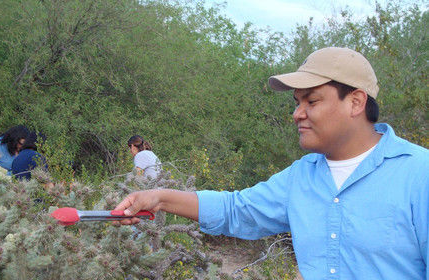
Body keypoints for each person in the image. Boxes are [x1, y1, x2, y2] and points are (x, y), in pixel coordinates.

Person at [113, 47, 428, 279]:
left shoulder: (418, 175)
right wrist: (159, 197)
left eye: (312, 101)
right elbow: (238, 210)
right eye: (297, 102)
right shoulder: (301, 176)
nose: (297, 114)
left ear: (356, 102)